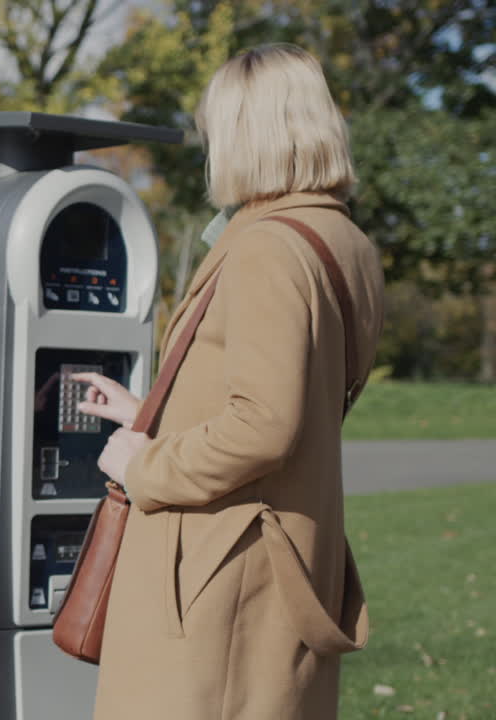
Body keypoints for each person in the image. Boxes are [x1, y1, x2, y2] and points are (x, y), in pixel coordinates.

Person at [72, 44, 385, 720]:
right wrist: (155, 410)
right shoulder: (342, 239)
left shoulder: (269, 245)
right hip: (276, 556)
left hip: (220, 573)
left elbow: (267, 424)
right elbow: (294, 391)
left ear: (245, 135)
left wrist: (145, 462)